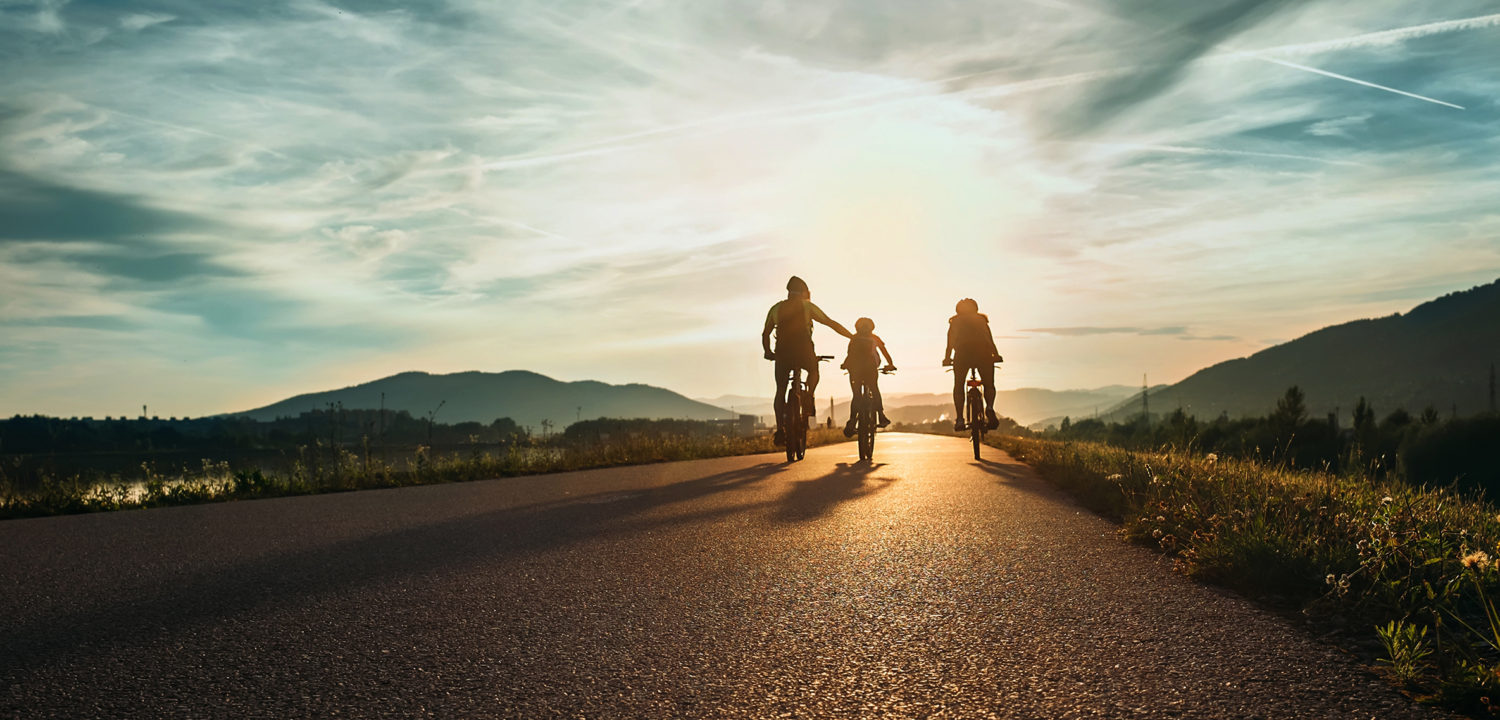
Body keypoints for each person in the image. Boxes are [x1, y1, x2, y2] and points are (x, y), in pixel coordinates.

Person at [763, 276, 853, 446]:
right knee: (813, 370)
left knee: (780, 390)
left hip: (782, 353)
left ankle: (781, 430)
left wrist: (768, 352)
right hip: (804, 350)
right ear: (804, 292)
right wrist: (852, 336)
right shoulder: (807, 306)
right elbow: (830, 323)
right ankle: (809, 396)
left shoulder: (776, 308)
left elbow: (765, 333)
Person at [942, 298, 1003, 431]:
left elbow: (950, 343)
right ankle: (990, 407)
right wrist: (996, 355)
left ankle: (959, 419)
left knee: (958, 385)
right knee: (989, 384)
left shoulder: (955, 322)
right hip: (983, 355)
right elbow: (989, 339)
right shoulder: (981, 320)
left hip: (962, 356)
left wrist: (947, 358)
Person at [842, 318, 896, 436]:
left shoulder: (854, 338)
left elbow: (849, 354)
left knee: (856, 395)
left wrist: (845, 365)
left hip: (855, 370)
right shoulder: (875, 338)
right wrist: (891, 364)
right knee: (874, 389)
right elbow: (884, 352)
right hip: (871, 369)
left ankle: (852, 421)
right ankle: (881, 416)